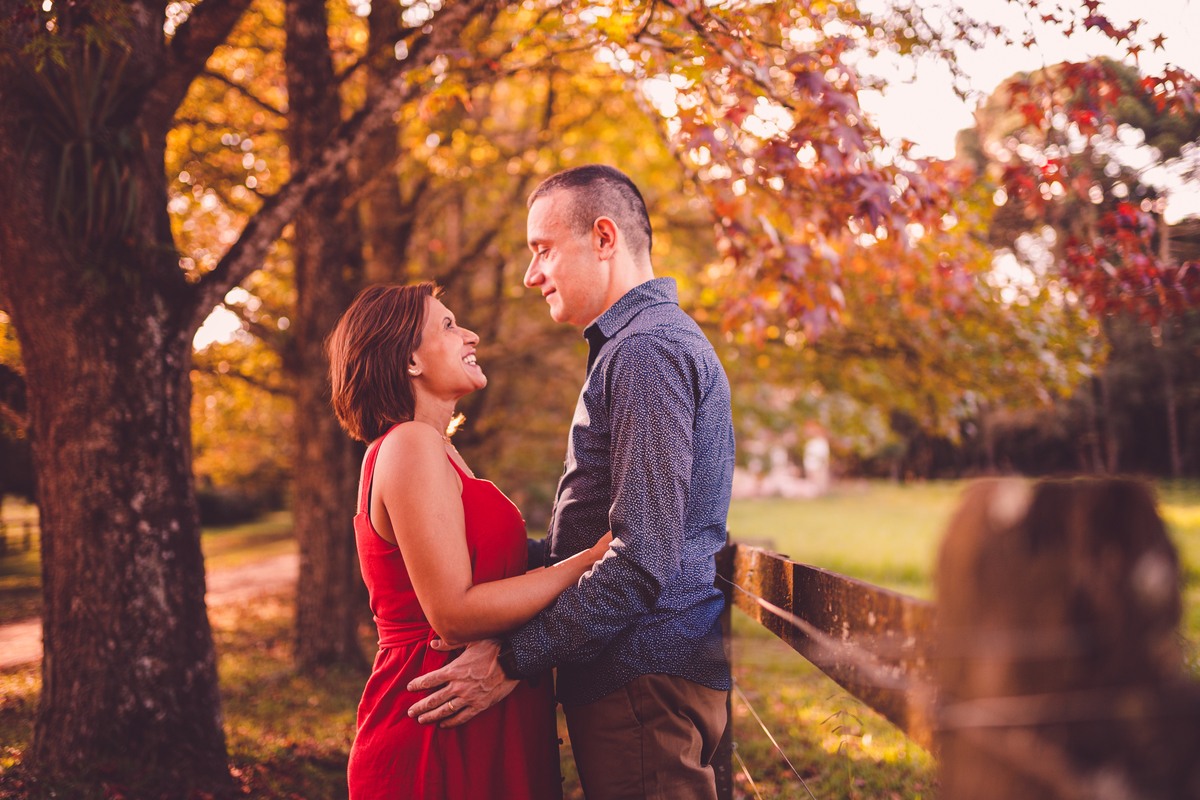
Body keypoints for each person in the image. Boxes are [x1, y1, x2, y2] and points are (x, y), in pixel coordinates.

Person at [408, 165, 736, 799]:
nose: (532, 275)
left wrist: (512, 662)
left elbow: (641, 564)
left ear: (604, 238)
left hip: (642, 675)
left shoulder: (647, 352)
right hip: (631, 676)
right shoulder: (632, 348)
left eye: (543, 250)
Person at [327, 282, 614, 800]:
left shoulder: (439, 451)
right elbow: (453, 614)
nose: (471, 334)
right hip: (437, 722)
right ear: (409, 360)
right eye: (448, 325)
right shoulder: (410, 445)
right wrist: (586, 562)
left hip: (478, 707)